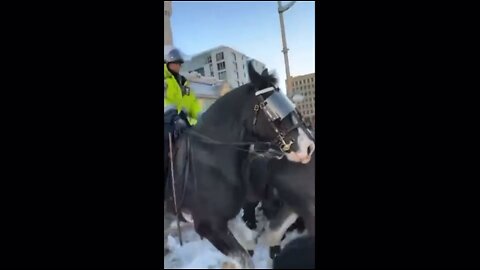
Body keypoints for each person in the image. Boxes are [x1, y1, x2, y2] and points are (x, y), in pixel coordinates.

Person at [164, 46, 202, 189]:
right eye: (176, 63)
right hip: (166, 122)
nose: (179, 66)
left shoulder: (184, 83)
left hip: (182, 123)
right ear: (168, 63)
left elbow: (193, 104)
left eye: (180, 63)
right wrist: (173, 117)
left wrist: (200, 119)